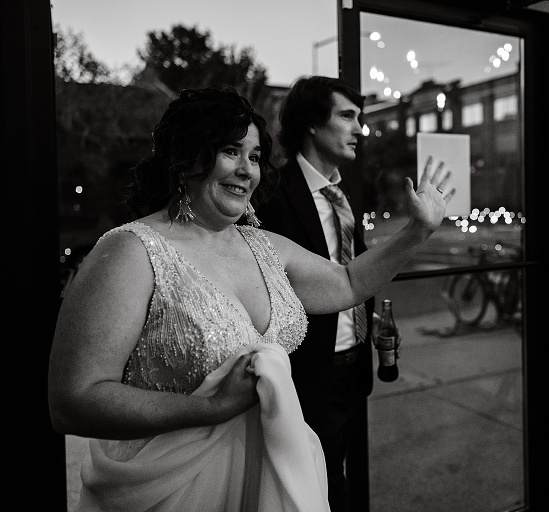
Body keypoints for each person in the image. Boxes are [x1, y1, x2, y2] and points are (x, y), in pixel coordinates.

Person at [47, 86, 453, 512]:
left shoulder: (264, 246)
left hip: (268, 476)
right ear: (186, 156)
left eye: (255, 157)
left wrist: (416, 232)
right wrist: (210, 408)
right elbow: (73, 401)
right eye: (230, 151)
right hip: (174, 488)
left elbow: (349, 283)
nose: (247, 170)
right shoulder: (130, 251)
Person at [258, 76, 387, 511]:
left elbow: (355, 267)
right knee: (321, 487)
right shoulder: (273, 191)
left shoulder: (342, 192)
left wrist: (378, 323)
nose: (358, 129)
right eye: (347, 116)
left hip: (353, 365)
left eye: (360, 118)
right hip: (306, 370)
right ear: (313, 123)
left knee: (336, 472)